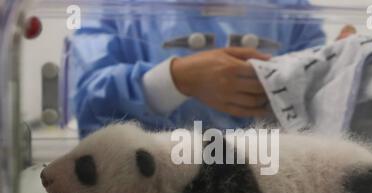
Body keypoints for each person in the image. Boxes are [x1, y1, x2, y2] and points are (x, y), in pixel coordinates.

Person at [68, 0, 325, 138]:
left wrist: (346, 62)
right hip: (147, 191)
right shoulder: (115, 8)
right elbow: (90, 111)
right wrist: (177, 79)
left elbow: (320, 103)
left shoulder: (289, 8)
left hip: (270, 181)